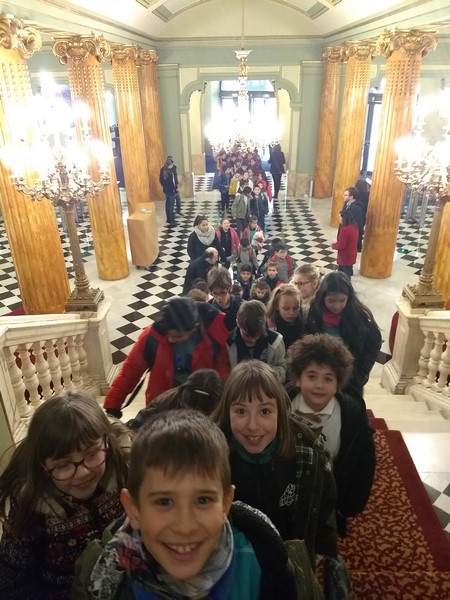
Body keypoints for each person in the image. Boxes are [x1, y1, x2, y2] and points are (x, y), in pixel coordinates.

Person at [79, 410, 322, 599]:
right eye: (164, 502)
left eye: (203, 500)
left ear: (225, 504)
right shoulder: (105, 582)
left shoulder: (263, 561)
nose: (185, 526)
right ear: (133, 509)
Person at [0, 391, 130, 600]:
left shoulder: (129, 477)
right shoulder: (30, 512)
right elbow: (13, 584)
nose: (83, 472)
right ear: (42, 467)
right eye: (63, 465)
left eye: (92, 454)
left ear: (107, 442)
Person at [214, 360, 338, 563]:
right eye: (241, 411)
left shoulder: (308, 453)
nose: (253, 426)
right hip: (231, 560)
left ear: (280, 412)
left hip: (287, 557)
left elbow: (324, 502)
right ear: (227, 413)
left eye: (265, 411)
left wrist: (319, 549)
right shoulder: (211, 457)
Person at [286, 334, 376, 536]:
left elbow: (364, 462)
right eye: (311, 376)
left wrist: (349, 505)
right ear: (298, 378)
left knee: (324, 535)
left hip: (329, 495)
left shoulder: (352, 414)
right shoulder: (281, 405)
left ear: (338, 383)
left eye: (328, 378)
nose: (319, 385)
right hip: (288, 490)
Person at [103, 297, 230, 416]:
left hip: (199, 408)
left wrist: (222, 407)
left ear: (194, 328)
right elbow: (130, 371)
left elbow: (222, 375)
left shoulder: (213, 336)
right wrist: (113, 404)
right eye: (168, 334)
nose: (170, 339)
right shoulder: (151, 337)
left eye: (177, 336)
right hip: (162, 408)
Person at [305, 271, 382, 396]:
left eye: (342, 300)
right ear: (322, 297)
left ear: (349, 298)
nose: (337, 306)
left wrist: (360, 374)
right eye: (331, 301)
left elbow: (374, 342)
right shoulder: (314, 313)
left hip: (351, 380)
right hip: (322, 375)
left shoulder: (360, 317)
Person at [127, 368, 224, 430]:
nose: (194, 419)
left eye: (203, 415)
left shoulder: (225, 414)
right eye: (190, 411)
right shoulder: (163, 404)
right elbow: (134, 428)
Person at [228, 300, 286, 382]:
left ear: (265, 323)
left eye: (257, 335)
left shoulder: (276, 341)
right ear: (237, 323)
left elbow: (281, 368)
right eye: (247, 335)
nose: (252, 340)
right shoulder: (227, 343)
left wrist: (264, 374)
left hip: (266, 385)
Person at [267, 284, 304, 351]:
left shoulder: (305, 323)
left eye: (296, 308)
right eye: (286, 308)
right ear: (277, 306)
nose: (291, 313)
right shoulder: (269, 325)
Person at [207, 266, 243, 331]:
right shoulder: (208, 309)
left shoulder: (240, 304)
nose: (219, 298)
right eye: (215, 293)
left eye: (223, 293)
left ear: (230, 288)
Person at [332, 211, 359, 280]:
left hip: (345, 256)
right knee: (348, 270)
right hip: (352, 253)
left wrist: (333, 245)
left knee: (343, 275)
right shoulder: (354, 226)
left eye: (340, 217)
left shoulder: (345, 230)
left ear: (344, 218)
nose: (339, 219)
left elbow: (341, 245)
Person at [342, 186, 364, 252]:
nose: (343, 196)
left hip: (351, 237)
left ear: (351, 196)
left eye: (346, 195)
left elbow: (358, 224)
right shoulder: (347, 204)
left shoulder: (356, 208)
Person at [159, 156, 179, 227]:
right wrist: (175, 188)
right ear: (170, 165)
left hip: (166, 190)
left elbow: (161, 180)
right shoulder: (170, 172)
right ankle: (172, 221)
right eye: (172, 165)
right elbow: (173, 182)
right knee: (171, 206)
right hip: (171, 191)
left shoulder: (163, 169)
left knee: (168, 204)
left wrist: (165, 187)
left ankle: (168, 219)